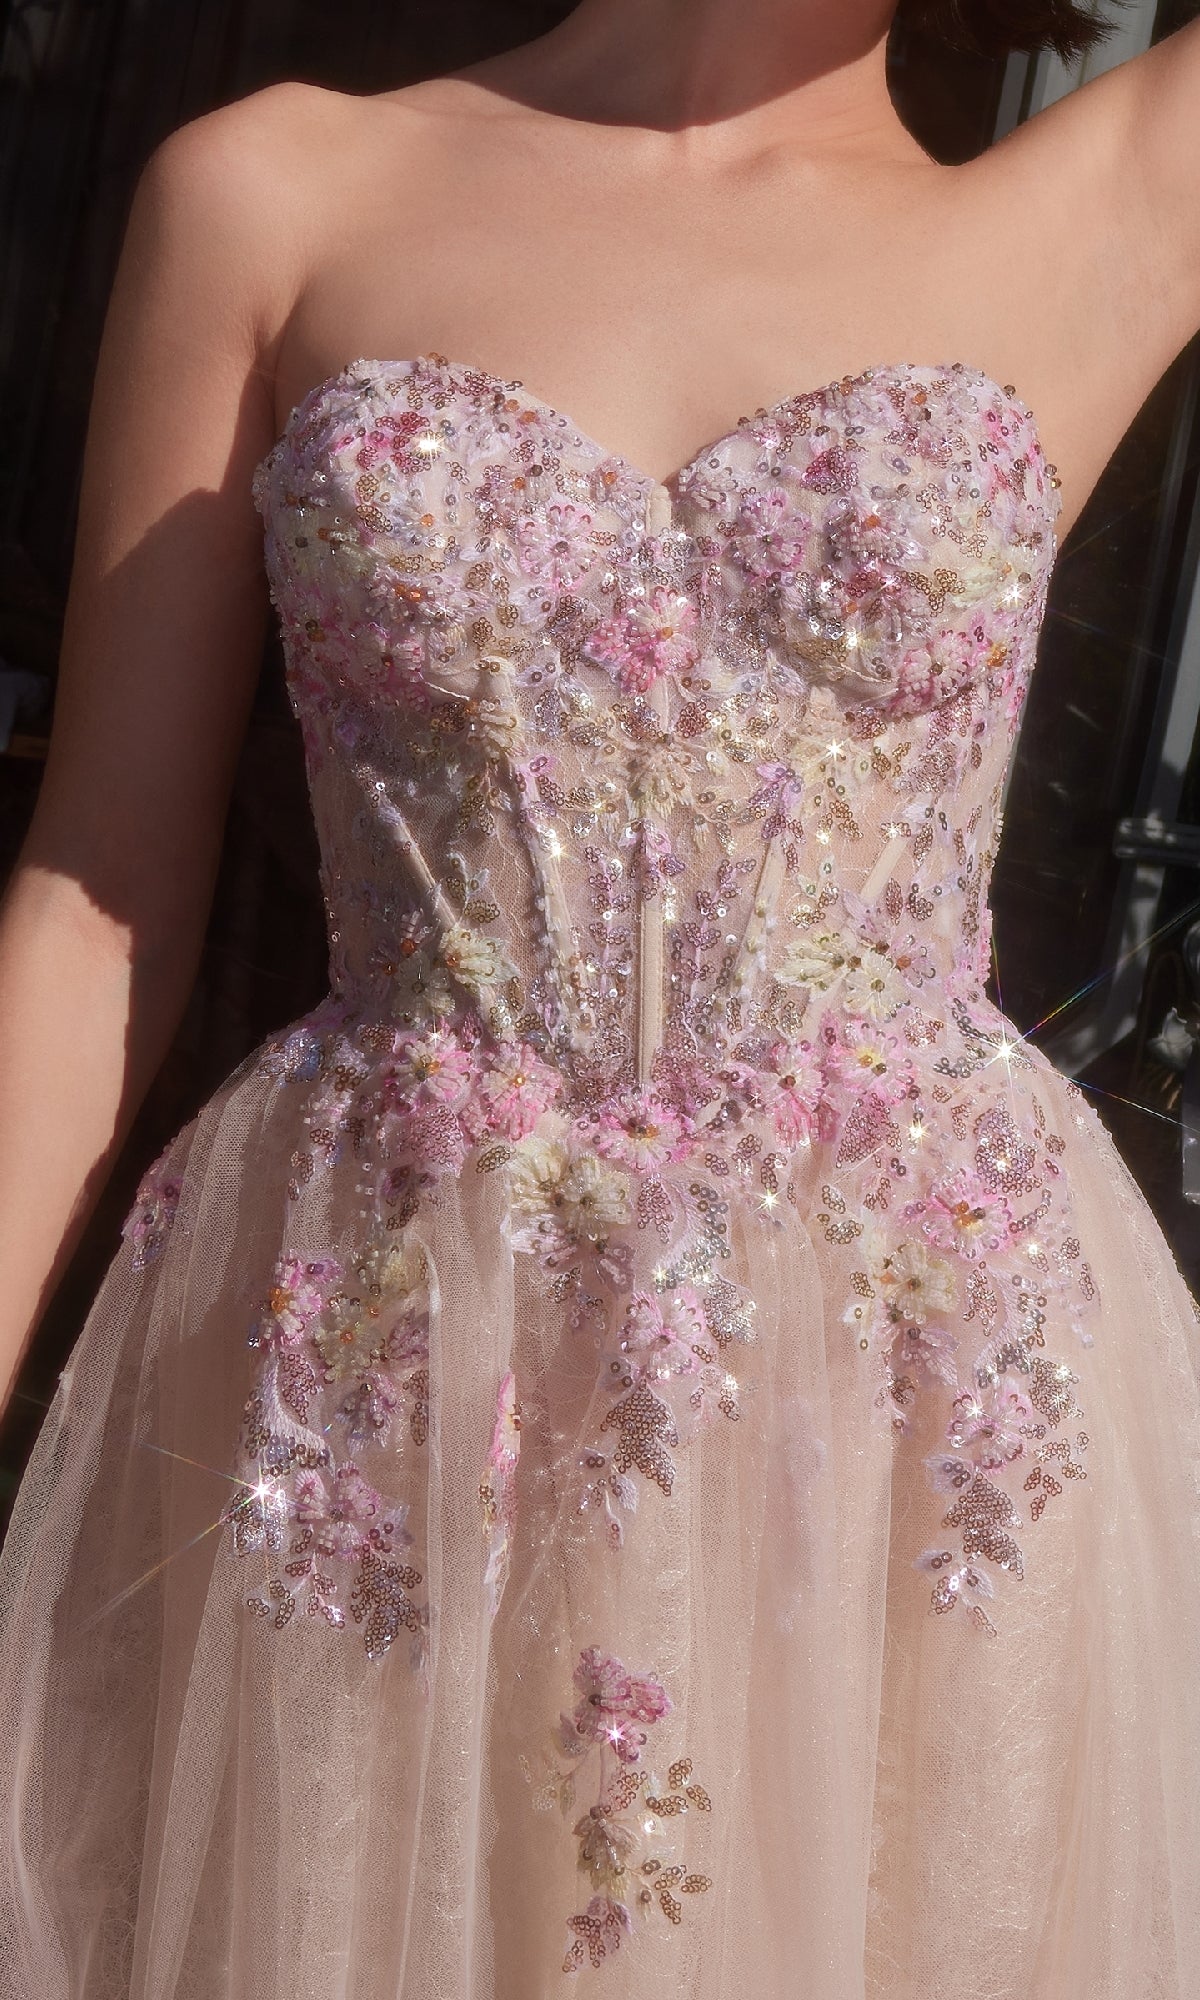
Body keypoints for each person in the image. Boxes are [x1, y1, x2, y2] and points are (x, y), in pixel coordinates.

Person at [1, 1, 1199, 1993]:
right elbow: (97, 898)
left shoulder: (1113, 198)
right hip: (394, 1395)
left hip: (895, 1444)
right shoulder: (271, 193)